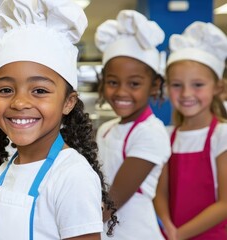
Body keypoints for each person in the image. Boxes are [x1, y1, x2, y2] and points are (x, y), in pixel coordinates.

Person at [0, 0, 117, 239]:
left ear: (68, 102)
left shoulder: (72, 176)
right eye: (6, 90)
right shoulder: (6, 170)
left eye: (39, 90)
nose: (19, 103)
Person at [94, 10, 171, 239]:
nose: (121, 92)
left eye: (134, 83)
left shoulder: (151, 132)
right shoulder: (106, 129)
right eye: (113, 82)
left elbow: (111, 203)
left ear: (155, 85)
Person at [154, 21, 227, 240]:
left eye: (197, 85)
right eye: (177, 85)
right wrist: (168, 227)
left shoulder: (221, 135)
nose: (186, 93)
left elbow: (225, 203)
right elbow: (160, 193)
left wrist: (179, 235)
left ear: (218, 88)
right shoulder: (166, 135)